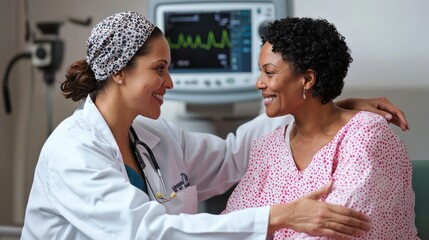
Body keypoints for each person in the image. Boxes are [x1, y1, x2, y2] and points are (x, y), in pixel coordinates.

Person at [21, 11, 409, 239]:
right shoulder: (71, 152)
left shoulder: (156, 136)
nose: (169, 83)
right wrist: (278, 216)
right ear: (120, 72)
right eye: (159, 69)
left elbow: (233, 155)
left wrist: (326, 105)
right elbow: (148, 232)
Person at [221, 17, 418, 239]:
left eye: (269, 72)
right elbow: (231, 226)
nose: (259, 83)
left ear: (307, 79)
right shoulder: (266, 147)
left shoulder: (367, 134)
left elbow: (335, 231)